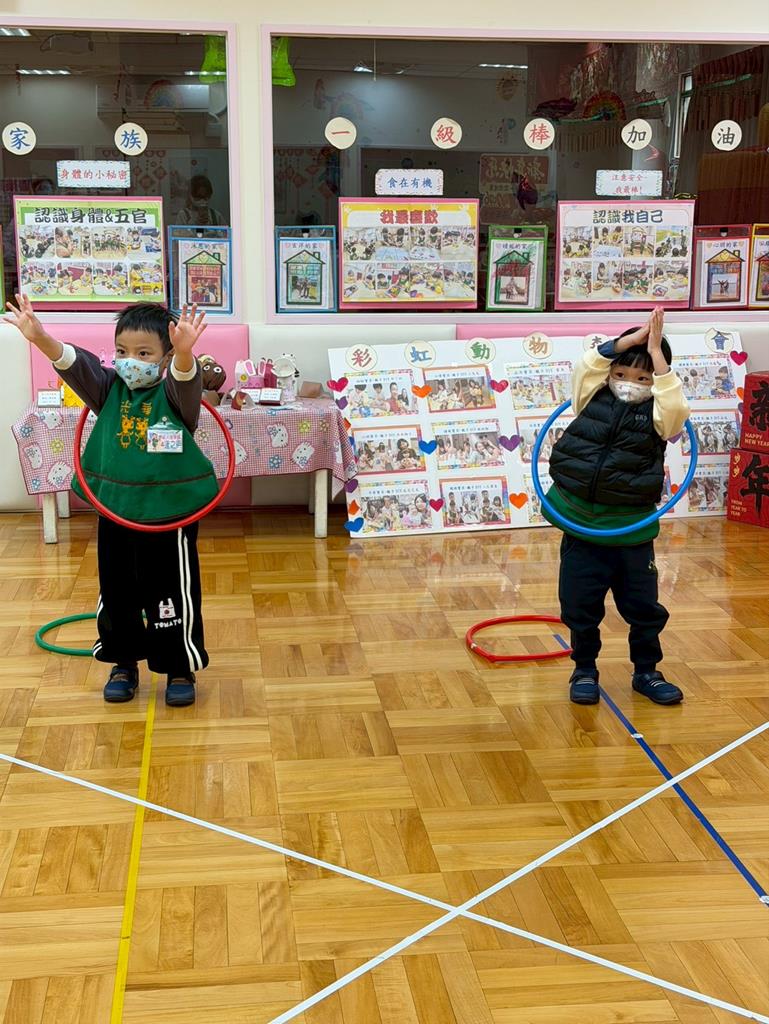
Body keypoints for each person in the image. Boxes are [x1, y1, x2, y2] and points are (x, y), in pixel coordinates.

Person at [6, 295, 216, 708]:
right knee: (118, 591)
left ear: (165, 357)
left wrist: (185, 353)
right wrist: (41, 337)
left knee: (171, 592)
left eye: (143, 353)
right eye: (122, 351)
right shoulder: (107, 390)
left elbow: (185, 377)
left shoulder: (176, 395)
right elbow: (75, 365)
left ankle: (178, 666)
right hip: (116, 510)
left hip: (168, 513)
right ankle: (123, 662)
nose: (130, 361)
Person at [545, 307, 689, 707]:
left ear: (656, 382)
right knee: (579, 603)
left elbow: (676, 410)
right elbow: (587, 365)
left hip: (630, 528)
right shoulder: (590, 396)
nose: (630, 384)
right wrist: (629, 341)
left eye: (643, 378)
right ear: (610, 373)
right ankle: (584, 669)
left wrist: (657, 354)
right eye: (622, 374)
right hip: (582, 524)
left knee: (642, 606)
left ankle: (647, 671)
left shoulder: (659, 416)